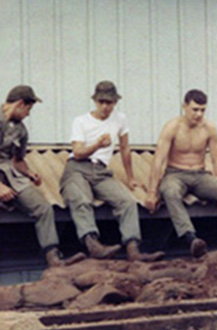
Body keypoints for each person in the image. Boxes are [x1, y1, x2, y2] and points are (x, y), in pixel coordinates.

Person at [144, 89, 217, 257]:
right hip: (175, 174)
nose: (198, 114)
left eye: (202, 110)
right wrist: (152, 192)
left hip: (200, 175)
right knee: (170, 191)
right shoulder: (172, 127)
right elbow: (158, 160)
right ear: (184, 106)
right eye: (195, 109)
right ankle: (191, 239)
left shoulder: (209, 128)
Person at [60, 81, 164, 262]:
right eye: (101, 102)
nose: (105, 106)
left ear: (115, 102)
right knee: (82, 199)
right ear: (95, 101)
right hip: (78, 168)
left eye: (109, 102)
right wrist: (97, 145)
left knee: (127, 202)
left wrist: (130, 178)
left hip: (100, 170)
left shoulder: (120, 119)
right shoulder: (81, 121)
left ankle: (133, 249)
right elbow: (77, 152)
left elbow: (125, 148)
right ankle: (93, 244)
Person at [0, 85, 85, 267]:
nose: (28, 114)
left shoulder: (20, 130)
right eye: (28, 109)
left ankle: (53, 257)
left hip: (10, 176)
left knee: (43, 208)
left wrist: (29, 173)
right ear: (20, 104)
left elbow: (18, 160)